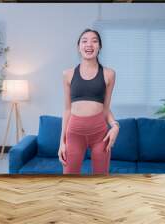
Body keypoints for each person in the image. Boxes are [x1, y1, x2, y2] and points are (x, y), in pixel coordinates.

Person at [58, 28, 120, 175]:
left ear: (100, 47)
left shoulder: (109, 74)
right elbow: (67, 110)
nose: (89, 44)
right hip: (74, 133)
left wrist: (115, 126)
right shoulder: (67, 74)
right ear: (79, 47)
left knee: (100, 178)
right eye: (84, 41)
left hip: (100, 134)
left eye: (94, 41)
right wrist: (62, 142)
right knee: (69, 181)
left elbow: (105, 108)